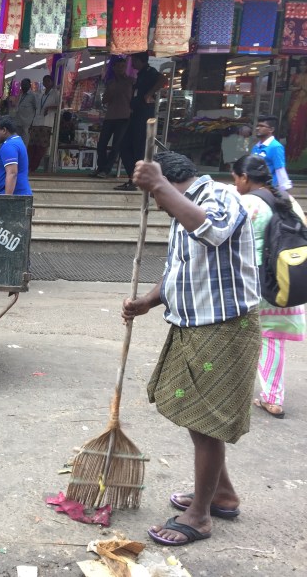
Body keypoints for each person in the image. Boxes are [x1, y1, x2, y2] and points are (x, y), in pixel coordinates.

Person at [122, 151, 260, 547]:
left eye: (157, 196)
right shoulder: (181, 211)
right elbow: (177, 271)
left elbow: (212, 231)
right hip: (192, 327)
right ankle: (222, 494)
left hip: (225, 329)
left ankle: (199, 517)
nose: (158, 206)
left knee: (206, 422)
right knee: (194, 415)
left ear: (169, 183)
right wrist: (147, 301)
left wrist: (158, 186)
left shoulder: (220, 196)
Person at [231, 154, 306, 419]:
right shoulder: (288, 199)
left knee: (237, 335)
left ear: (245, 178)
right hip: (283, 281)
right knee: (272, 342)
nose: (235, 184)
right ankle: (272, 398)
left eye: (236, 179)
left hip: (254, 284)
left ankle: (228, 389)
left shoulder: (247, 203)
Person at [115, 52, 167, 191]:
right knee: (124, 145)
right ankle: (133, 177)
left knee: (138, 147)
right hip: (136, 113)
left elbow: (163, 79)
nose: (131, 64)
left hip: (144, 114)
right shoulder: (140, 74)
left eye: (133, 60)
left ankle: (137, 180)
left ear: (139, 60)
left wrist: (149, 94)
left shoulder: (150, 71)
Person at [90, 57, 133, 178]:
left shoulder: (131, 81)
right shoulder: (111, 83)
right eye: (118, 66)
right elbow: (104, 100)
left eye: (123, 66)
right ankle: (101, 167)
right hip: (110, 116)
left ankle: (106, 169)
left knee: (116, 145)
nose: (121, 69)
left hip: (124, 117)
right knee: (101, 144)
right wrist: (111, 91)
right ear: (114, 68)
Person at [251, 116, 293, 191]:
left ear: (271, 129)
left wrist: (284, 189)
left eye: (262, 126)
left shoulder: (276, 147)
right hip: (255, 187)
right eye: (257, 126)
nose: (257, 128)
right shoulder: (256, 147)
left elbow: (280, 169)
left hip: (269, 189)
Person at [0, 116, 31, 196]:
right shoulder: (16, 141)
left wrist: (7, 199)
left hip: (15, 196)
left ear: (4, 130)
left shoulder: (10, 146)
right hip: (18, 195)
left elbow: (12, 173)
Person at [28, 75, 60, 173]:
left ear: (51, 82)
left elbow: (61, 106)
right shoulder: (41, 94)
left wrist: (49, 108)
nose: (46, 83)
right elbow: (36, 108)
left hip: (46, 124)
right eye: (44, 81)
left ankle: (33, 168)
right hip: (36, 122)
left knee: (41, 147)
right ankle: (28, 166)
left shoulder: (55, 93)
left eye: (47, 81)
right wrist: (31, 123)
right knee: (31, 146)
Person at [285, 59, 307, 163]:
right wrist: (297, 88)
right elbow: (289, 87)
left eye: (304, 65)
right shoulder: (294, 76)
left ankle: (297, 153)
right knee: (292, 128)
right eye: (301, 65)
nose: (302, 67)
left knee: (300, 128)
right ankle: (290, 153)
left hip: (304, 105)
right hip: (294, 104)